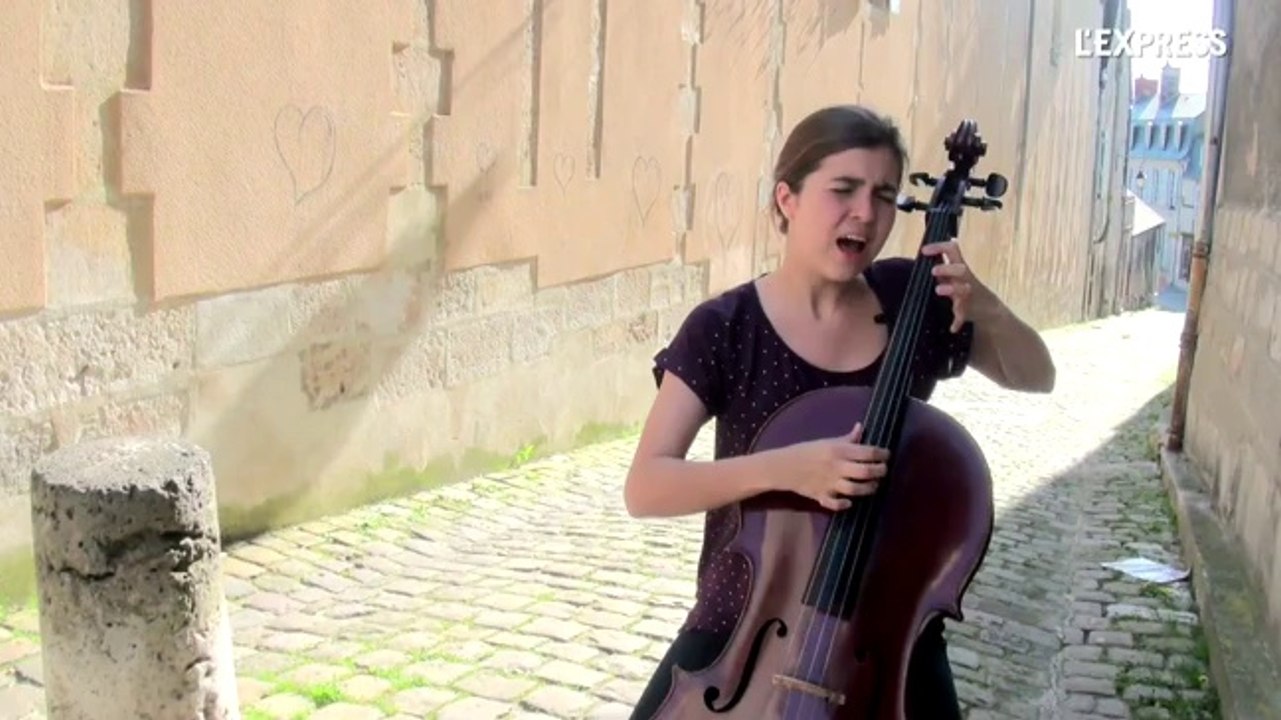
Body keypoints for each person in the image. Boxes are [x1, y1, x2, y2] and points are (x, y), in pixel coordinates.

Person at [622, 104, 1056, 719]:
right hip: (745, 620)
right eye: (843, 190)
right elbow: (647, 486)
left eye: (884, 195)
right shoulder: (725, 327)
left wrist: (986, 307)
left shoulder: (913, 298)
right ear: (788, 199)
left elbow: (1037, 374)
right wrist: (788, 469)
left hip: (884, 632)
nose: (866, 213)